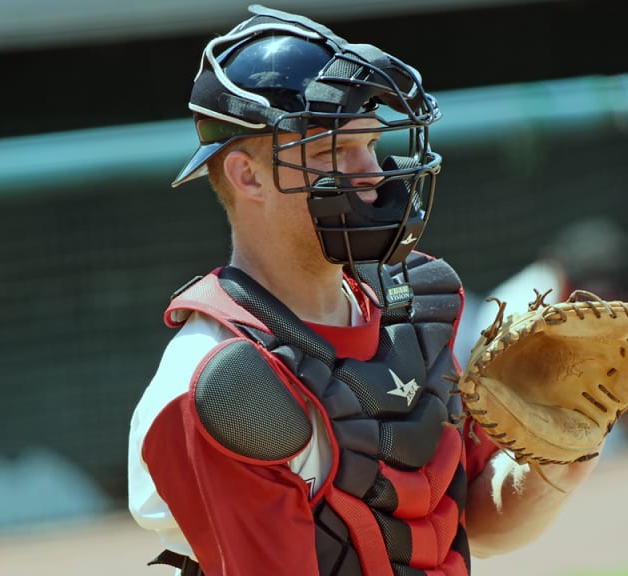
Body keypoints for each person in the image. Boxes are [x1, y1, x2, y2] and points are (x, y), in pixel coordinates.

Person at [127, 6, 601, 575]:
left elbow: (462, 521)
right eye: (334, 153)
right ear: (247, 177)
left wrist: (561, 458)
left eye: (370, 144)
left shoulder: (414, 306)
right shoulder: (218, 381)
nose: (372, 173)